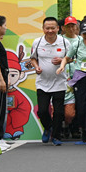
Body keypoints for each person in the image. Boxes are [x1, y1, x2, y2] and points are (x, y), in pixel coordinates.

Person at [30, 17, 70, 146]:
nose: (50, 30)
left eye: (53, 28)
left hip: (59, 82)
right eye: (47, 28)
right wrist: (36, 67)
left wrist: (62, 61)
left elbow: (71, 58)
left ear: (58, 28)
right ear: (43, 29)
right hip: (43, 82)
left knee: (58, 112)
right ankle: (48, 128)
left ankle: (57, 136)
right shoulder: (37, 42)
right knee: (42, 111)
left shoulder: (64, 42)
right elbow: (33, 59)